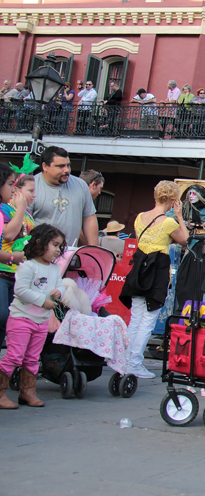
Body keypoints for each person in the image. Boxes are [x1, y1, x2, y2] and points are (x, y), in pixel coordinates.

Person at [119, 181, 188, 379]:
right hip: (156, 272)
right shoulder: (168, 223)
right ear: (174, 200)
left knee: (135, 318)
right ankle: (135, 363)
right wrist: (179, 216)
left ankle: (125, 360)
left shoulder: (140, 217)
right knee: (148, 320)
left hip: (138, 270)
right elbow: (186, 240)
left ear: (155, 195)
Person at [0, 224, 66, 409]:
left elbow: (60, 285)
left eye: (60, 246)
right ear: (39, 242)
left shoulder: (54, 268)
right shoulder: (27, 266)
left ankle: (27, 391)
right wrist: (43, 301)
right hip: (21, 319)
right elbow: (20, 291)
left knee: (32, 358)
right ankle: (1, 392)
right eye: (54, 245)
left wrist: (59, 292)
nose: (58, 250)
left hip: (41, 322)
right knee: (14, 356)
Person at [32, 145, 99, 247]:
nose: (67, 170)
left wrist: (93, 249)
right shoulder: (31, 187)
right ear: (45, 166)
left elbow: (89, 218)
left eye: (68, 165)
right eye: (61, 166)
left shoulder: (80, 185)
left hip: (70, 252)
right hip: (39, 253)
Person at [0, 167, 33, 349]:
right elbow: (9, 234)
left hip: (16, 272)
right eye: (9, 184)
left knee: (7, 319)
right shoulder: (6, 210)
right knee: (2, 315)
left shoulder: (27, 213)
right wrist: (12, 257)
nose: (12, 189)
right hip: (3, 270)